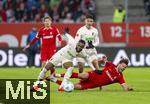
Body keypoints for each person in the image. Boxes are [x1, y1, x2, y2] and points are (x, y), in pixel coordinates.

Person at [31, 33, 99, 91]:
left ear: (83, 47)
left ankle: (62, 86)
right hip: (59, 55)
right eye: (78, 45)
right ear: (77, 44)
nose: (79, 47)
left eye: (81, 47)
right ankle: (36, 86)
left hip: (67, 60)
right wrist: (66, 32)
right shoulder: (72, 43)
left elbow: (88, 60)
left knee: (71, 67)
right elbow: (69, 37)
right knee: (45, 69)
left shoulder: (83, 52)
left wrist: (95, 69)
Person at [52, 58, 133, 91]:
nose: (123, 68)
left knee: (72, 86)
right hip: (93, 75)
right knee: (83, 75)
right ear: (119, 64)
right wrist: (100, 61)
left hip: (92, 84)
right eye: (122, 66)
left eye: (125, 68)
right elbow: (101, 61)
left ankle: (54, 80)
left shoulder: (120, 77)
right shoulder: (110, 65)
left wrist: (129, 89)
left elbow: (125, 87)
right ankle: (58, 75)